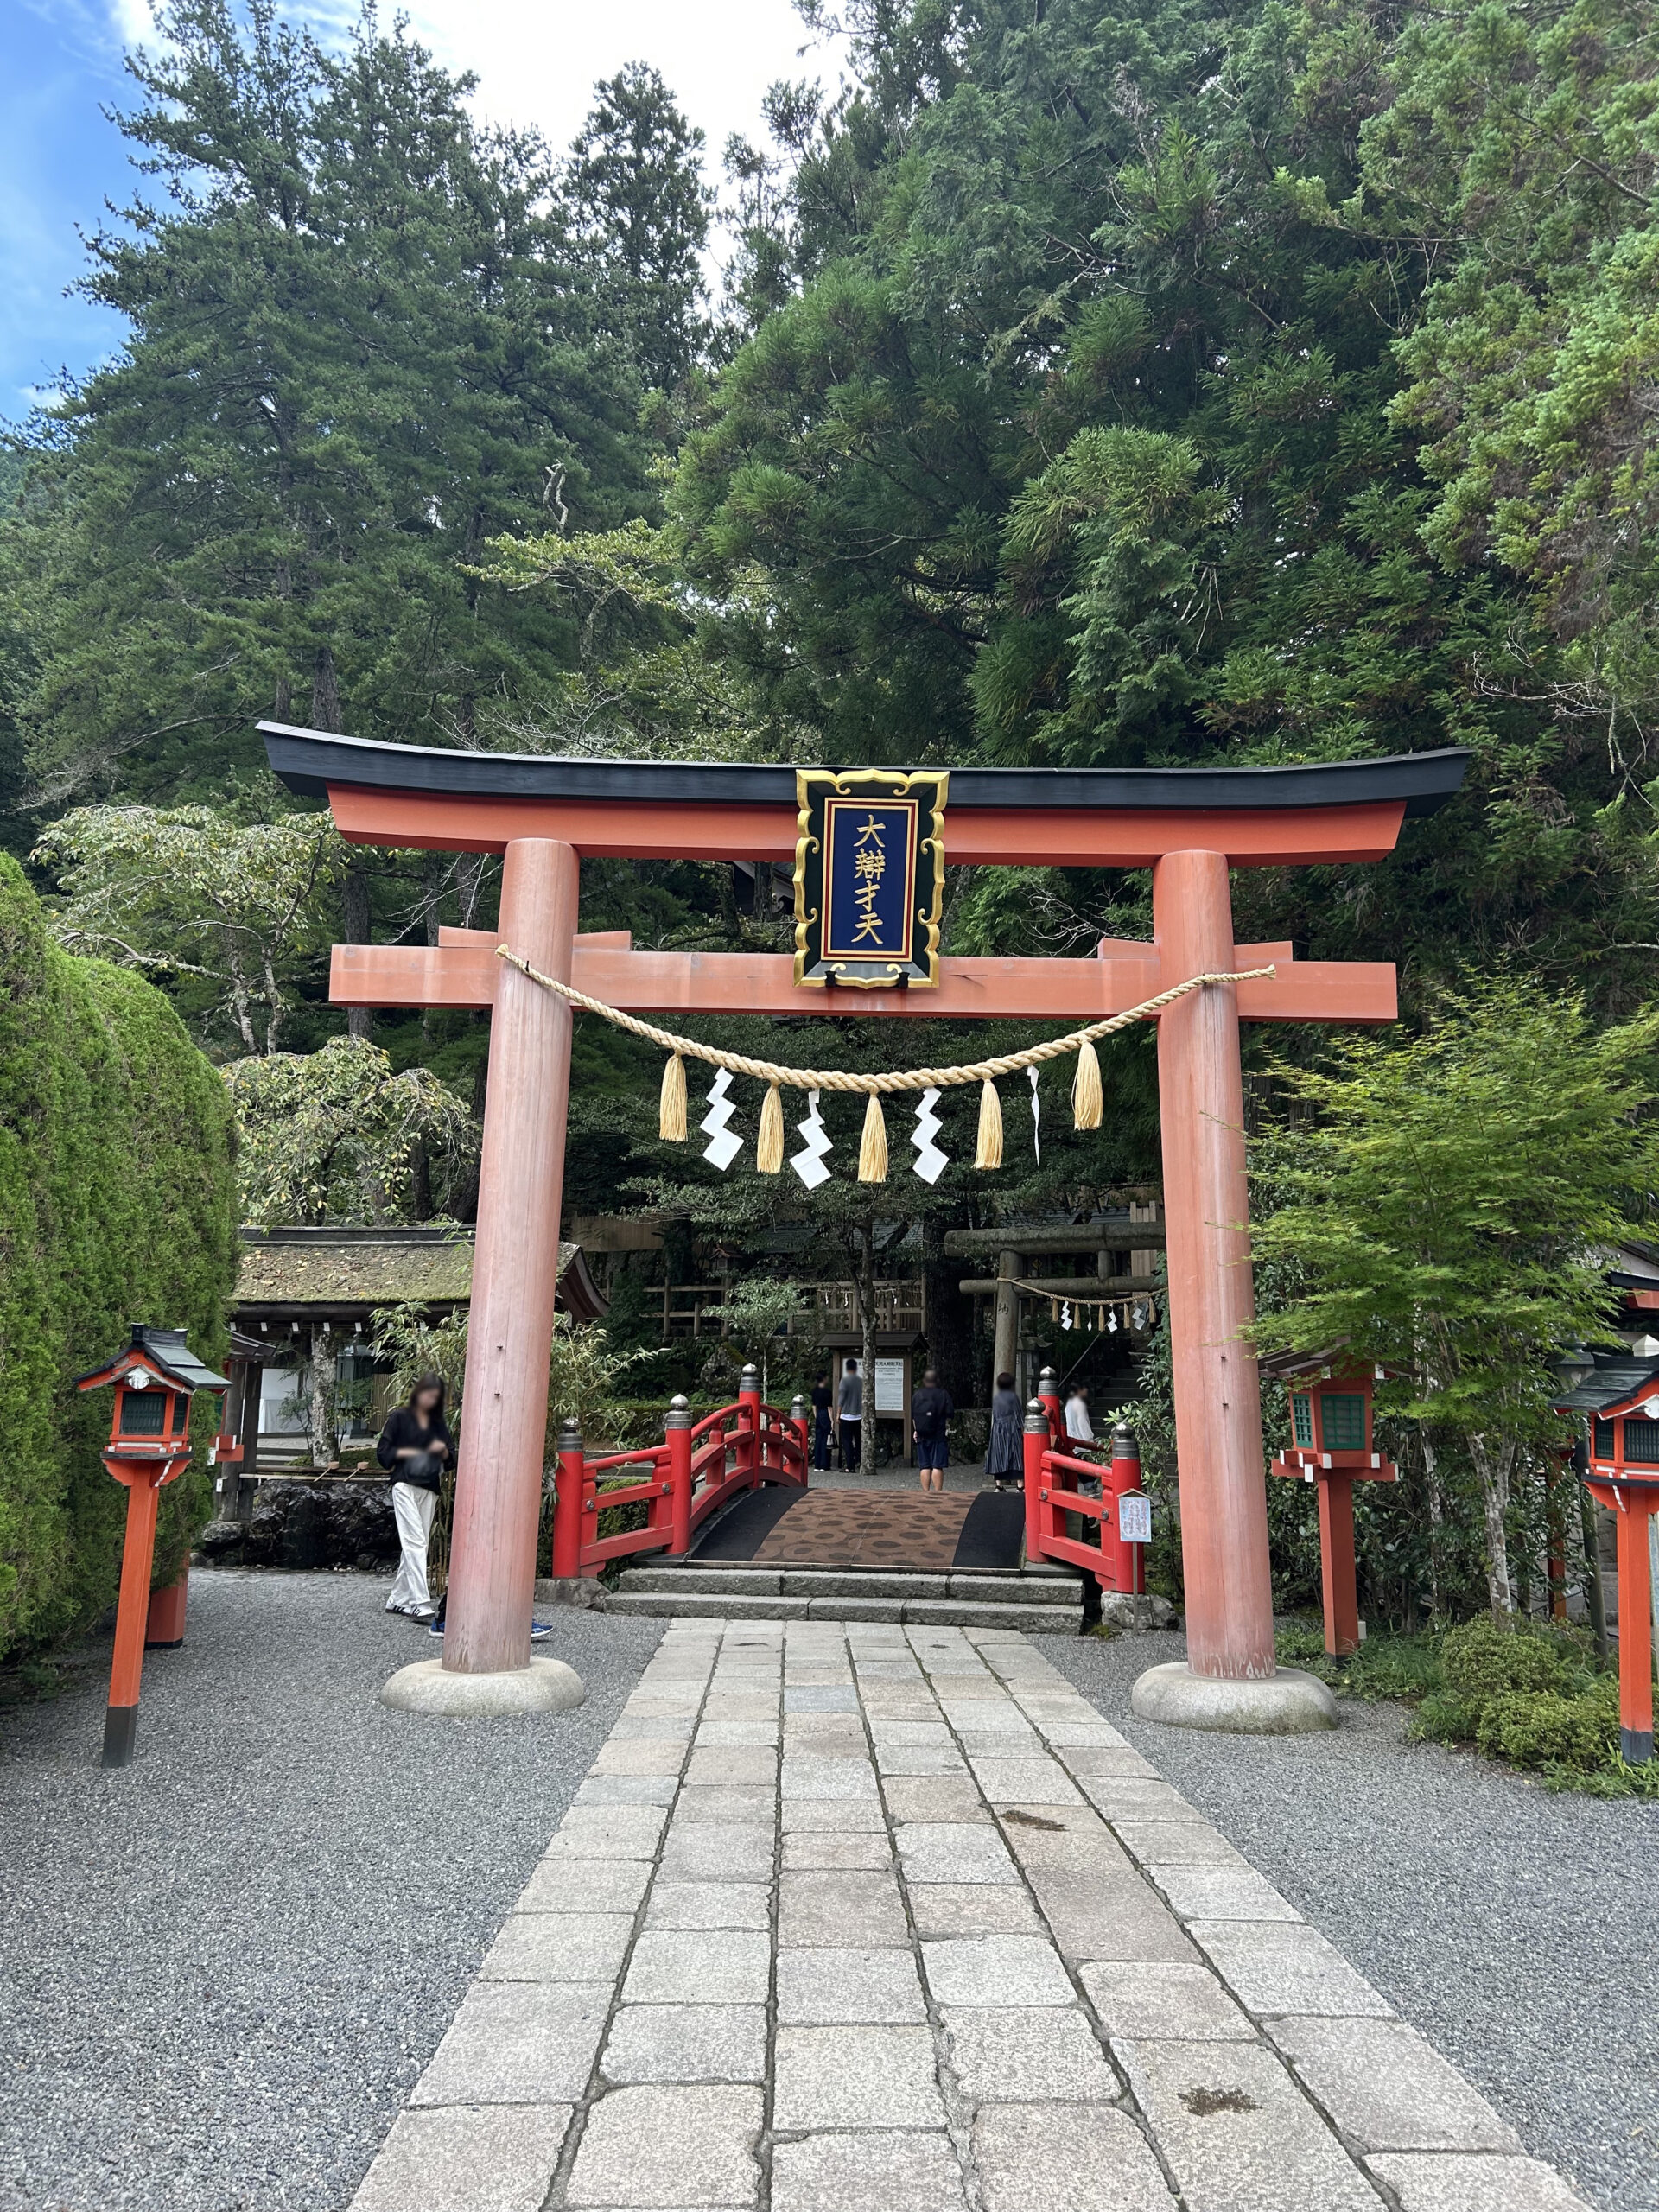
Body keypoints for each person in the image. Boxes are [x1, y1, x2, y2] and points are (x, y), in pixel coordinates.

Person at [377, 1374, 450, 1621]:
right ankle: (419, 1602)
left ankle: (397, 1599)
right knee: (416, 1543)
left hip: (429, 1486)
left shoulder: (438, 1423)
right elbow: (384, 1455)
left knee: (418, 1544)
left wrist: (443, 1453)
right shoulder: (399, 1417)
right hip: (405, 1484)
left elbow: (451, 1458)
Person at [911, 1367, 953, 1492]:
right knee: (937, 1465)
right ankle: (938, 1493)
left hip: (922, 1434)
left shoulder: (917, 1395)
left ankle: (926, 1492)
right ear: (937, 1380)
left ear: (924, 1380)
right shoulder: (943, 1394)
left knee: (924, 1466)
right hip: (938, 1434)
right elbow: (950, 1413)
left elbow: (914, 1415)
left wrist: (916, 1430)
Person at [985, 1370, 1023, 1491]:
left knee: (998, 1456)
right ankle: (1020, 1485)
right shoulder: (1013, 1397)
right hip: (1011, 1428)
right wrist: (1023, 1429)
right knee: (1016, 1455)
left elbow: (995, 1415)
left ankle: (998, 1485)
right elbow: (1018, 1415)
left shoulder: (996, 1398)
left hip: (998, 1428)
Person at [837, 1356, 862, 1471]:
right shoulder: (860, 1381)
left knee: (847, 1442)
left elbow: (841, 1398)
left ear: (847, 1368)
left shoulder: (844, 1381)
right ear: (856, 1368)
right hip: (859, 1415)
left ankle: (850, 1466)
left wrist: (838, 1413)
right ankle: (859, 1461)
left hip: (846, 1415)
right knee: (858, 1440)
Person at [810, 1370, 834, 1471]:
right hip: (825, 1413)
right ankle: (824, 1465)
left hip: (819, 1414)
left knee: (818, 1439)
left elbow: (814, 1406)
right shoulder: (827, 1392)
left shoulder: (814, 1391)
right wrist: (832, 1420)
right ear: (824, 1379)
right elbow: (829, 1407)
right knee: (826, 1439)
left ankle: (817, 1465)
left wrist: (816, 1417)